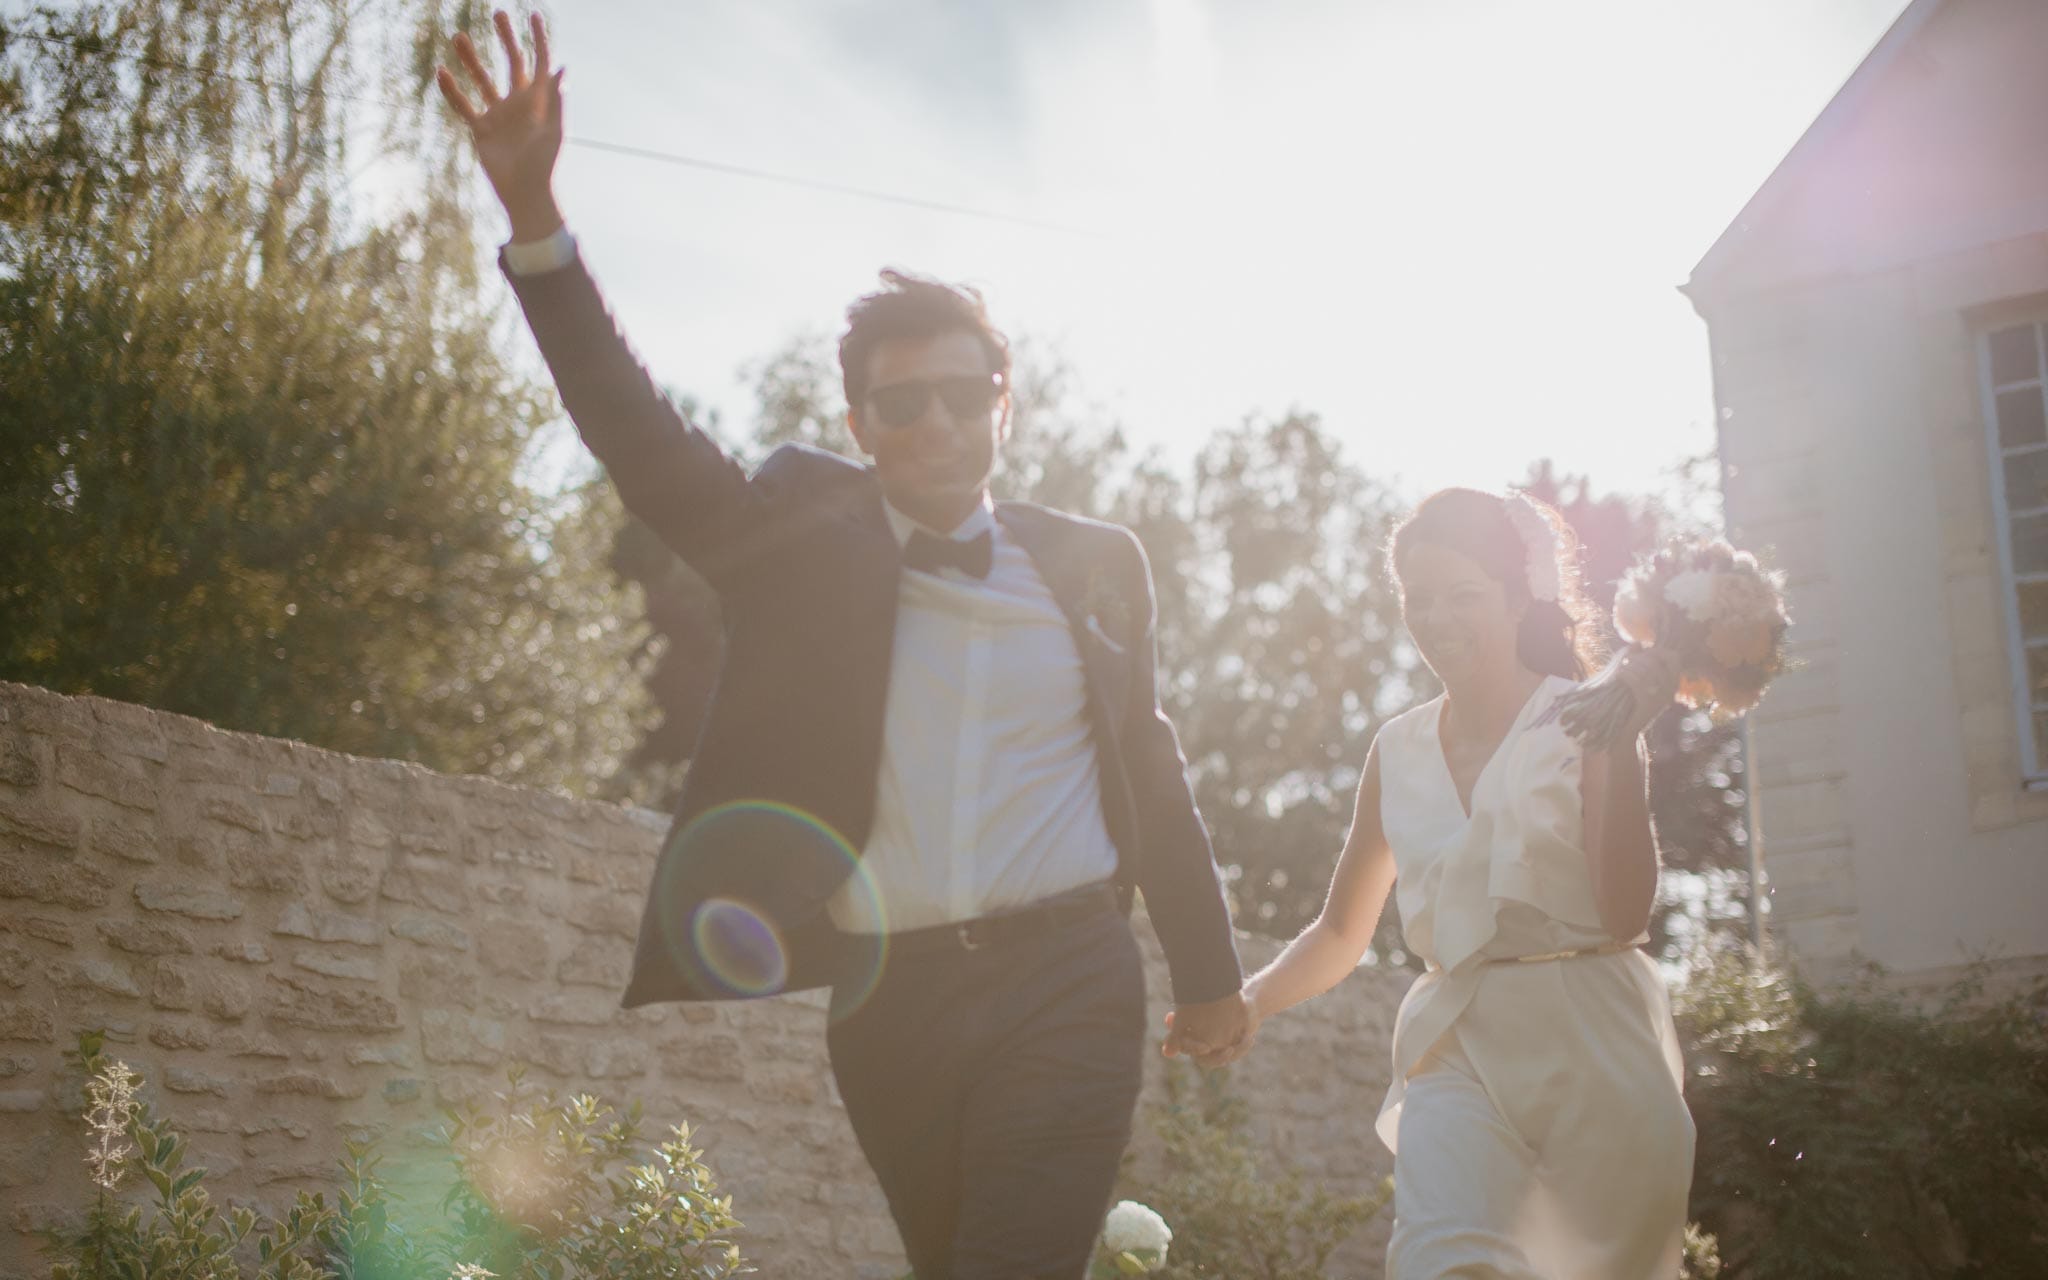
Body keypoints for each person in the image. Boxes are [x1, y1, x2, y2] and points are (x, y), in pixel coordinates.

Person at [434, 14, 1250, 1278]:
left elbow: (1149, 763)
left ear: (1002, 402)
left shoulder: (1097, 561)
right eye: (899, 400)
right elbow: (639, 436)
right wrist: (537, 216)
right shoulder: (798, 545)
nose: (933, 419)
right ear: (860, 422)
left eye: (961, 392)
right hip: (891, 997)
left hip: (1071, 976)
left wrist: (1208, 972)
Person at [1184, 488, 1694, 1278]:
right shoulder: (1397, 748)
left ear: (1520, 597)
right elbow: (1341, 932)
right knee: (1440, 1261)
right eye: (1419, 598)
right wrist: (1252, 1001)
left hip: (1597, 1041)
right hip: (1457, 1039)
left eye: (1464, 595)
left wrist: (1619, 739)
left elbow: (1625, 914)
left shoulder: (1589, 719)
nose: (1437, 617)